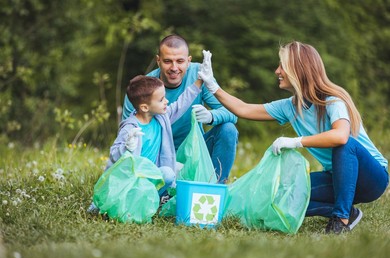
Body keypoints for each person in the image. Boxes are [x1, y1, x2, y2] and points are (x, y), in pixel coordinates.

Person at [198, 43, 389, 234]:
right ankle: (347, 212)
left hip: (371, 179)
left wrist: (296, 141)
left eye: (282, 66)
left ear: (298, 69)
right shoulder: (290, 107)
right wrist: (212, 85)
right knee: (282, 196)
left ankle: (340, 220)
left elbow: (340, 136)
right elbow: (244, 108)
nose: (277, 71)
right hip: (337, 180)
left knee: (345, 145)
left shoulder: (332, 100)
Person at [122, 34, 238, 184]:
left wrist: (211, 116)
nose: (174, 68)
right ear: (158, 61)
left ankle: (214, 190)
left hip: (195, 152)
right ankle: (164, 191)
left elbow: (232, 112)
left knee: (228, 129)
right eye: (167, 61)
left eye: (180, 61)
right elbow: (127, 133)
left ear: (188, 61)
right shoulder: (143, 89)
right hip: (158, 158)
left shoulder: (200, 75)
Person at [88, 70, 206, 214]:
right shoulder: (130, 128)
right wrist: (127, 147)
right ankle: (115, 203)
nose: (166, 101)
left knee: (171, 173)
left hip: (151, 178)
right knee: (167, 174)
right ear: (145, 107)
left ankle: (154, 201)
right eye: (161, 99)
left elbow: (180, 104)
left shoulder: (161, 118)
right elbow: (114, 154)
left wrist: (200, 80)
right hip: (132, 181)